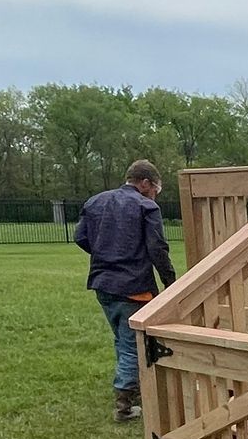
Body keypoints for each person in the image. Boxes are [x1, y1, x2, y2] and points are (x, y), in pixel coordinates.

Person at [74, 161, 176, 422]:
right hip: (134, 287)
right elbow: (157, 249)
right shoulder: (146, 207)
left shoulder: (95, 202)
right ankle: (124, 405)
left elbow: (80, 237)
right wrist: (170, 281)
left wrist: (105, 254)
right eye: (156, 190)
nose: (155, 195)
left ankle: (132, 386)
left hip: (102, 283)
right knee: (133, 344)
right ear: (145, 183)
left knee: (122, 338)